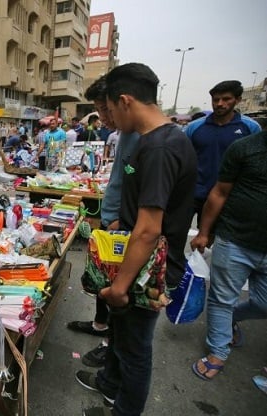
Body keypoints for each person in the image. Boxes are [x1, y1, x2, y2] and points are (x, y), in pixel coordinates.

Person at [76, 63, 196, 416]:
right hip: (138, 264)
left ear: (125, 101)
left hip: (147, 274)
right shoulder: (160, 140)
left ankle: (123, 409)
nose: (109, 117)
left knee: (135, 350)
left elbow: (148, 229)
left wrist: (120, 287)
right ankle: (110, 384)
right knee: (122, 338)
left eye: (110, 109)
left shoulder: (160, 147)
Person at [67, 75, 140, 368]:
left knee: (117, 290)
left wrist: (119, 220)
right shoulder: (123, 134)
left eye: (106, 109)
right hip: (112, 224)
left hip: (121, 228)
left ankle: (110, 345)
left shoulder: (140, 137)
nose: (103, 118)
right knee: (102, 282)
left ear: (122, 102)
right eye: (99, 110)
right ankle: (100, 325)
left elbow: (141, 191)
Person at [190, 128, 267, 381]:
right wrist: (204, 232)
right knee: (222, 299)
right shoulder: (244, 147)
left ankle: (230, 319)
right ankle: (218, 351)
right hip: (234, 239)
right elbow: (219, 192)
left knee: (263, 303)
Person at [184, 80, 260, 225]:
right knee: (175, 235)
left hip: (228, 197)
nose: (220, 103)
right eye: (216, 99)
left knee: (213, 240)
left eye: (226, 99)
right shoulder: (194, 127)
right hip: (193, 194)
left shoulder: (250, 128)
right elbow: (183, 159)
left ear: (237, 100)